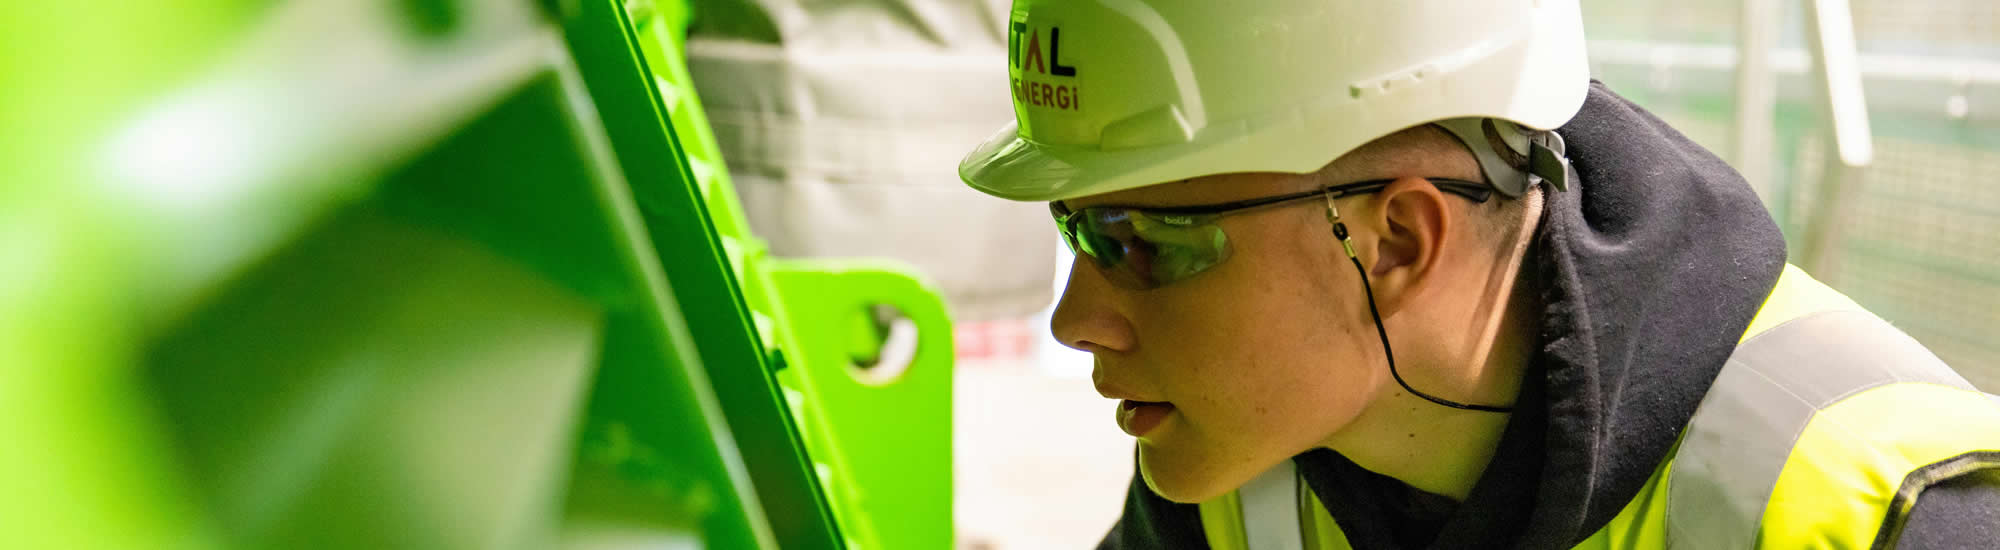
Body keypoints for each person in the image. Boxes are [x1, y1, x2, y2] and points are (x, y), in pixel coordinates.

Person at [954, 0, 2000, 548]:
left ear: (1400, 240)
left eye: (1144, 240)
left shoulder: (1879, 515)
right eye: (1076, 231)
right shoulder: (1239, 476)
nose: (1078, 319)